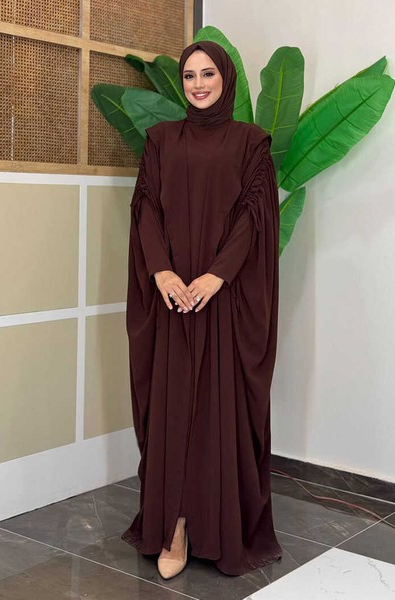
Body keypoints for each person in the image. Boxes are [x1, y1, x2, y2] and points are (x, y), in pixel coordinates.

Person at [121, 40, 283, 578]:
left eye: (207, 73)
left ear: (225, 77)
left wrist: (216, 276)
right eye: (189, 75)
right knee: (172, 412)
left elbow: (255, 217)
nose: (197, 84)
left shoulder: (251, 143)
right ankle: (174, 526)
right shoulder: (161, 140)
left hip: (223, 298)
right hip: (173, 298)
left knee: (216, 413)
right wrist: (163, 273)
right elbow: (146, 208)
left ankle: (214, 526)